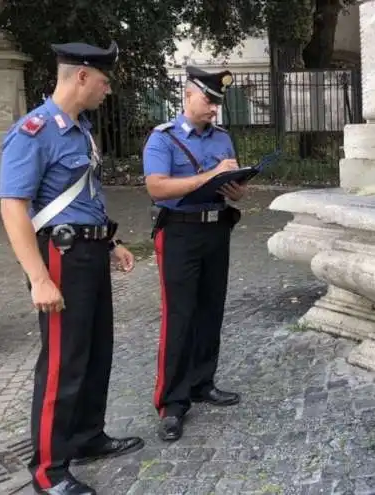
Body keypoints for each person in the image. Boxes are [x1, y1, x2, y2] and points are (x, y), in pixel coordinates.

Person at [0, 41, 143, 495]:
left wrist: (113, 242)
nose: (107, 89)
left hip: (90, 253)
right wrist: (39, 278)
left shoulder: (80, 130)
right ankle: (48, 469)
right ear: (81, 75)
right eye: (104, 81)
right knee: (62, 363)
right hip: (59, 260)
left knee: (96, 350)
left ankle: (87, 437)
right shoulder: (34, 131)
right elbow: (12, 206)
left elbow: (84, 198)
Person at [142, 65, 247, 443]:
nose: (214, 108)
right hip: (180, 234)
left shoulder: (222, 137)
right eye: (208, 100)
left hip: (216, 229)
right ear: (187, 96)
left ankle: (203, 382)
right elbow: (157, 187)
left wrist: (235, 190)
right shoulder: (163, 139)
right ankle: (172, 402)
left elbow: (228, 183)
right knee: (180, 315)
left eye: (218, 102)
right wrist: (209, 176)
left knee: (210, 308)